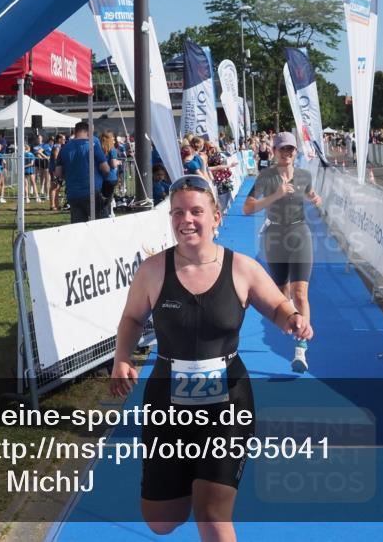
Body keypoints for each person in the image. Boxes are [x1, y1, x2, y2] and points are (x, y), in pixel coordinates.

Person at [109, 175, 312, 541]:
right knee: (161, 519)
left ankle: (210, 480)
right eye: (177, 213)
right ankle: (192, 474)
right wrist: (122, 357)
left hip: (229, 402)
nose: (186, 220)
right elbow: (132, 318)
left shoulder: (242, 268)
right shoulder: (153, 271)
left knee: (211, 513)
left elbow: (278, 306)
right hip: (166, 401)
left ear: (216, 217)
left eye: (196, 211)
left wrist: (293, 320)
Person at [242, 132, 322, 373]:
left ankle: (300, 350)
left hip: (299, 234)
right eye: (282, 149)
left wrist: (314, 198)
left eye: (291, 149)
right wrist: (276, 195)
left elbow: (308, 193)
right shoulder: (266, 177)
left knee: (300, 294)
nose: (287, 154)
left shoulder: (304, 176)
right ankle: (292, 320)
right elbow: (247, 208)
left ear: (295, 152)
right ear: (274, 152)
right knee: (281, 294)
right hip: (274, 237)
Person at [54, 121, 110, 223]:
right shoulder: (92, 146)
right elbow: (106, 168)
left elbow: (58, 173)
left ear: (75, 131)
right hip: (91, 192)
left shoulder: (64, 148)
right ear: (88, 132)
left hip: (73, 193)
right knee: (103, 225)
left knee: (78, 228)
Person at [99, 131, 123, 216]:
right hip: (111, 177)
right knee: (108, 199)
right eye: (112, 138)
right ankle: (108, 214)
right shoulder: (112, 150)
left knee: (103, 197)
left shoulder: (99, 150)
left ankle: (106, 213)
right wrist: (119, 162)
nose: (114, 140)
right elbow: (113, 164)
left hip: (101, 177)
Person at [48, 133, 66, 211]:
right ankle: (52, 205)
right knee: (54, 187)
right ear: (59, 139)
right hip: (54, 169)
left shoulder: (59, 146)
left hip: (57, 169)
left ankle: (56, 204)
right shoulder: (56, 147)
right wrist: (56, 170)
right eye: (63, 139)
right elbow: (56, 159)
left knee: (57, 187)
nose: (64, 140)